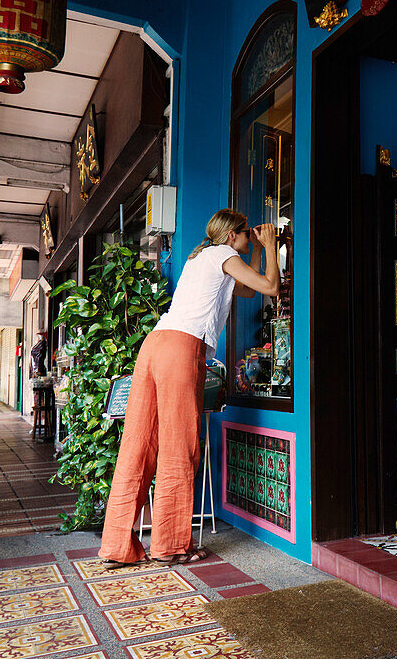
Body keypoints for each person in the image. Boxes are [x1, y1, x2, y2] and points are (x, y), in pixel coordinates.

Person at [98, 209, 280, 567]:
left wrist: (256, 250)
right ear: (232, 237)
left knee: (138, 445)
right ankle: (170, 546)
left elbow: (245, 290)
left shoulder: (204, 257)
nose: (250, 238)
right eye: (246, 234)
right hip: (181, 350)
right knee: (179, 447)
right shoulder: (225, 256)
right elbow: (270, 287)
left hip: (153, 347)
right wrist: (272, 246)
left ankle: (117, 546)